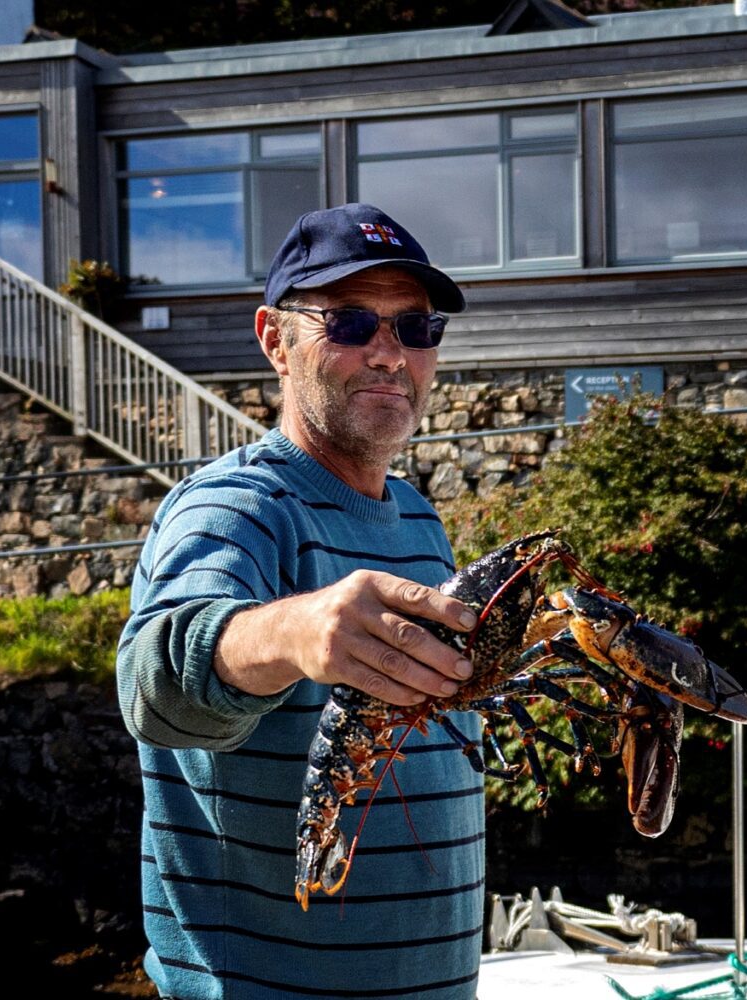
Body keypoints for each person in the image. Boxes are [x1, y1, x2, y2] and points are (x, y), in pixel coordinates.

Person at [116, 203, 485, 1000]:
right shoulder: (234, 506)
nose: (390, 355)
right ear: (274, 341)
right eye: (351, 323)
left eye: (416, 329)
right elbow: (154, 681)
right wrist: (294, 632)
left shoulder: (420, 520)